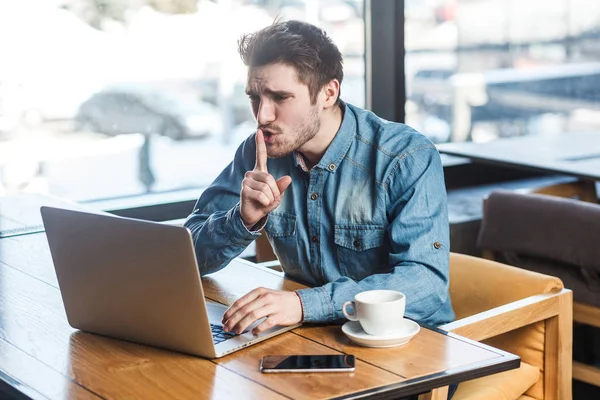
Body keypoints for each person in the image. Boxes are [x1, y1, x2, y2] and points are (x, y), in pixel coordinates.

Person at [184, 20, 455, 337]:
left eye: (280, 98)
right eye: (255, 98)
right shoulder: (258, 152)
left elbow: (426, 284)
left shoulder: (406, 157)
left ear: (328, 93)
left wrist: (303, 305)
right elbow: (187, 258)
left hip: (408, 347)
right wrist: (242, 220)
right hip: (310, 336)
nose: (262, 116)